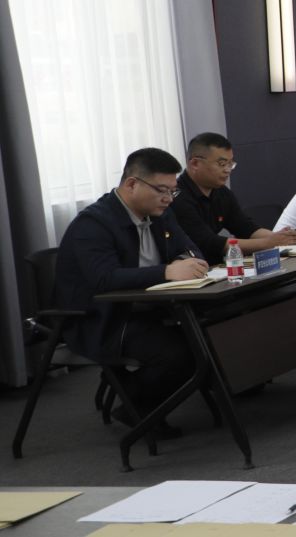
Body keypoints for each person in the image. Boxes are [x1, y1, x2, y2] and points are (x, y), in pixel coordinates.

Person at [54, 148, 208, 431]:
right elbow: (104, 279)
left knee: (210, 336)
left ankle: (136, 390)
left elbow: (190, 249)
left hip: (151, 309)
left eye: (173, 191)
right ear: (132, 184)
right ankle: (137, 408)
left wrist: (187, 261)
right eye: (161, 190)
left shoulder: (161, 214)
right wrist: (166, 271)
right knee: (180, 353)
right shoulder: (93, 224)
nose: (168, 198)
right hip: (102, 318)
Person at [170, 133, 296, 264]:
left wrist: (283, 237)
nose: (227, 170)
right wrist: (269, 242)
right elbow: (209, 243)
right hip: (190, 267)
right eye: (221, 164)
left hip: (216, 266)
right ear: (195, 163)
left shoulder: (221, 192)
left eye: (230, 164)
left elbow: (246, 228)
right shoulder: (176, 197)